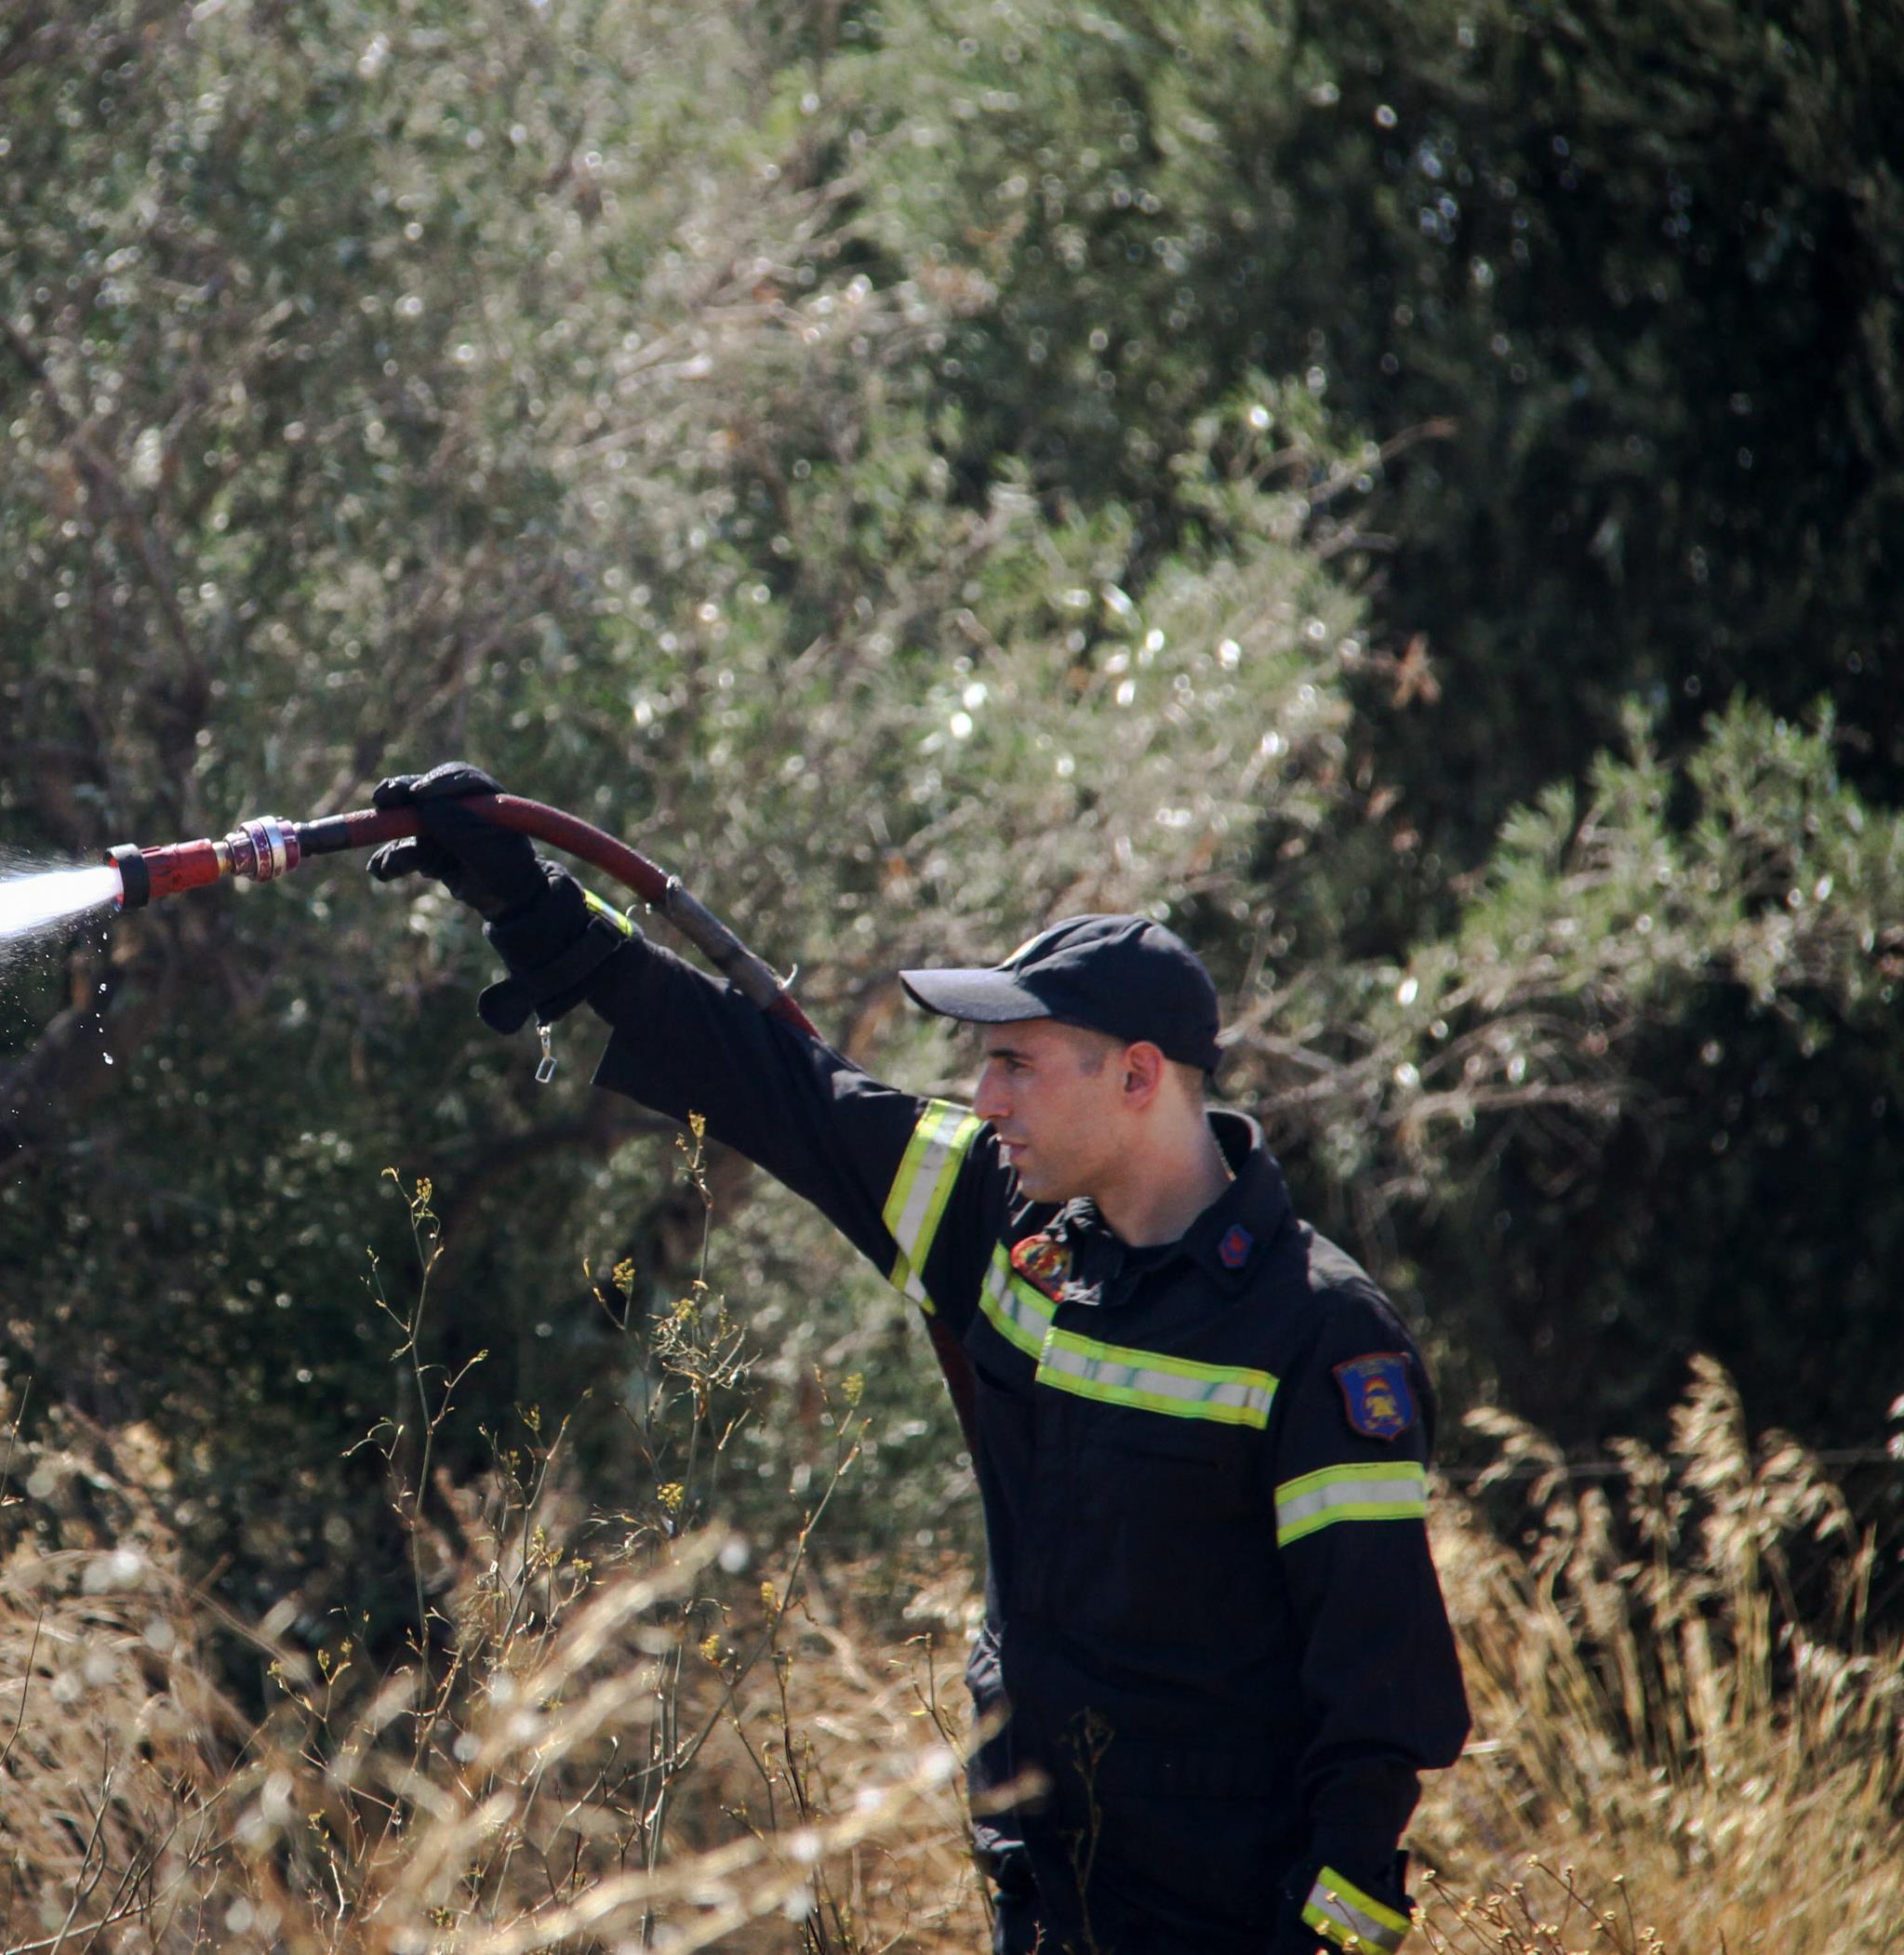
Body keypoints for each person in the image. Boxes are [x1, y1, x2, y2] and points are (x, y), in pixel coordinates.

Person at [368, 764, 1470, 1955]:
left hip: (1223, 1920)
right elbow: (773, 1083)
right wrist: (528, 903)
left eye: (1017, 1063)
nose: (980, 1096)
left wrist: (1332, 1936)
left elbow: (1377, 1702)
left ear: (1139, 1075)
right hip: (1038, 1895)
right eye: (981, 1062)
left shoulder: (1313, 1330)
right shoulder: (1000, 1215)